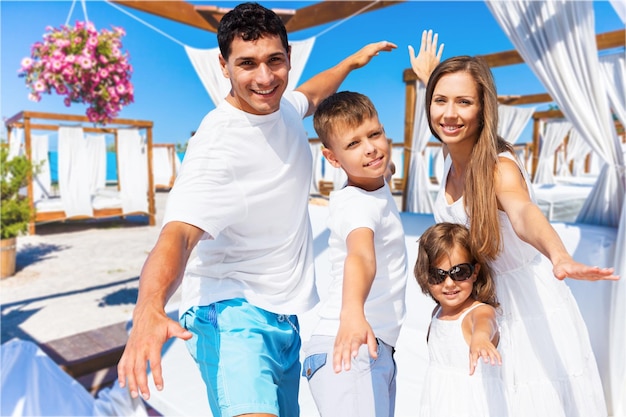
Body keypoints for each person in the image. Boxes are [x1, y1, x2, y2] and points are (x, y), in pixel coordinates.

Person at [116, 3, 397, 417]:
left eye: (275, 61)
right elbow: (177, 234)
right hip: (229, 313)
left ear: (288, 59)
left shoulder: (281, 107)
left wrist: (352, 62)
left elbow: (315, 93)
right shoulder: (217, 145)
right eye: (247, 64)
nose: (264, 78)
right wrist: (149, 307)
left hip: (284, 315)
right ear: (223, 65)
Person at [419, 54, 619, 416]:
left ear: (483, 109)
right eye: (439, 99)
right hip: (480, 301)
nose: (449, 113)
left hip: (525, 307)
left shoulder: (498, 167)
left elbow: (524, 212)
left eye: (464, 102)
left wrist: (558, 255)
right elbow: (446, 110)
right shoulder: (448, 158)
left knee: (529, 400)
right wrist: (429, 76)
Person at [301, 91, 408, 417]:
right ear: (333, 159)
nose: (370, 148)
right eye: (353, 144)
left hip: (374, 348)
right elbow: (360, 256)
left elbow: (385, 164)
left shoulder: (378, 180)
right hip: (349, 343)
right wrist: (352, 312)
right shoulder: (356, 204)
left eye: (374, 134)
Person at [415, 222, 507, 417]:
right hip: (438, 404)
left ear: (474, 272)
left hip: (472, 407)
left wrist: (481, 339)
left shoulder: (477, 312)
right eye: (437, 275)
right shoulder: (437, 313)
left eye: (459, 272)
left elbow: (485, 322)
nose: (449, 283)